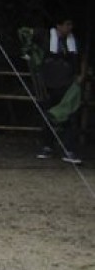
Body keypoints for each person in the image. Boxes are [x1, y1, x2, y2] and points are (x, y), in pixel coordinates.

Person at [37, 16, 83, 164]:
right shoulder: (45, 38)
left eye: (71, 24)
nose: (69, 27)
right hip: (48, 83)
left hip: (66, 84)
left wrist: (79, 75)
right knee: (48, 114)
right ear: (58, 25)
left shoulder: (73, 42)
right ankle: (47, 146)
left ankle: (69, 149)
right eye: (67, 24)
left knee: (69, 116)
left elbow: (78, 61)